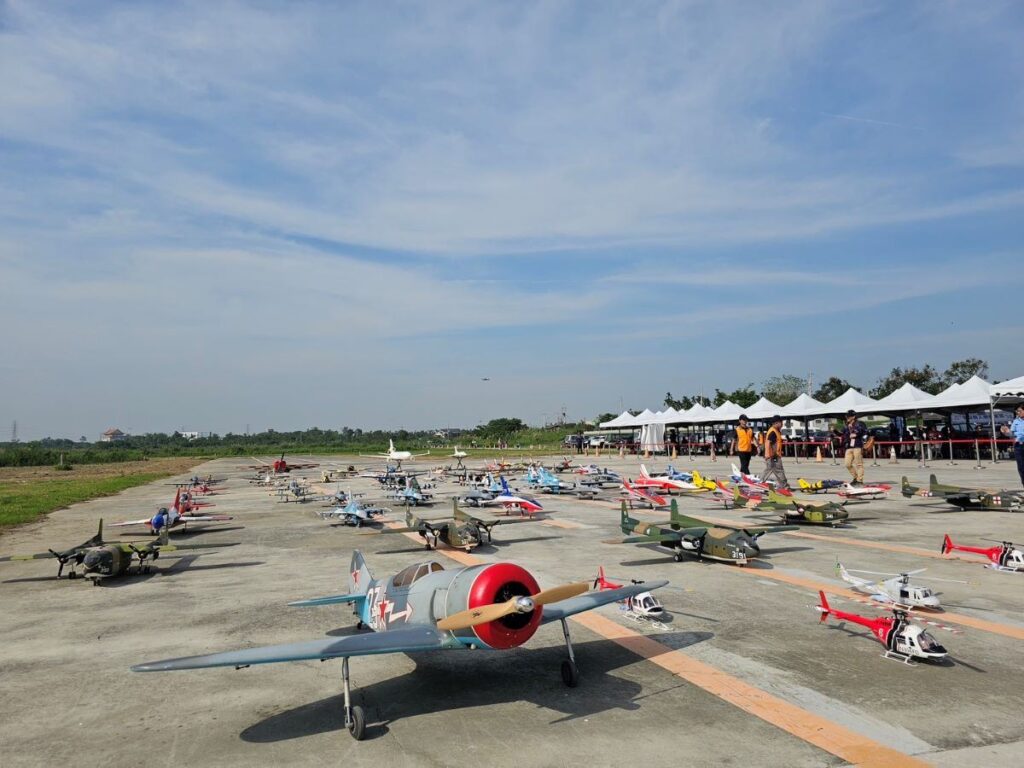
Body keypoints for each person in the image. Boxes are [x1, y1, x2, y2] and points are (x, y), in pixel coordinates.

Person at [841, 410, 869, 485]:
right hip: (849, 446)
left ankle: (860, 480)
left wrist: (856, 434)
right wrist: (834, 431)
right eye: (846, 416)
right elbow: (842, 433)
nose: (847, 417)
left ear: (853, 417)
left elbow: (865, 432)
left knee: (858, 464)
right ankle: (856, 477)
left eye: (848, 416)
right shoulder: (846, 425)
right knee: (847, 464)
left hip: (857, 445)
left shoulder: (860, 423)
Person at [761, 415, 789, 490]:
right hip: (773, 456)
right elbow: (768, 444)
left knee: (773, 470)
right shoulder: (773, 432)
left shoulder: (776, 431)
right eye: (781, 422)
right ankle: (784, 485)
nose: (782, 424)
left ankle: (783, 485)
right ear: (776, 423)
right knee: (777, 470)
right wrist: (773, 454)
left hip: (773, 455)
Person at [1000, 405, 1024, 488]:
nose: (1018, 412)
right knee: (1021, 467)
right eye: (1017, 411)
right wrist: (1006, 432)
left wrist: (1018, 434)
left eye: (1020, 411)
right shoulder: (1016, 421)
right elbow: (1011, 434)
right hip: (1019, 446)